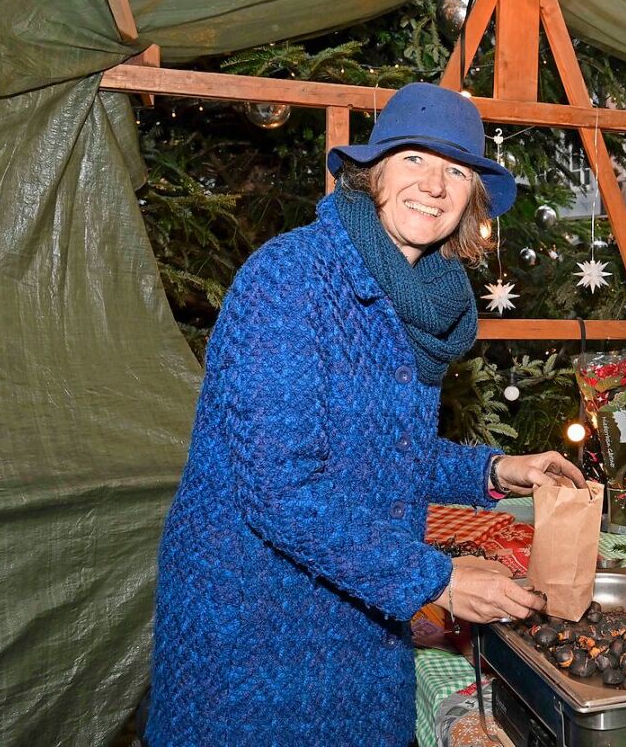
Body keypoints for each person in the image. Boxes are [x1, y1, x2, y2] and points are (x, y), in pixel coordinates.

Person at [145, 83, 586, 746]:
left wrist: (496, 469)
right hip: (255, 623)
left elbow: (377, 449)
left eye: (456, 171)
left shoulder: (423, 303)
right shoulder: (289, 279)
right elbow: (278, 488)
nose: (433, 185)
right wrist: (435, 576)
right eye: (413, 159)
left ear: (470, 199)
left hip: (357, 608)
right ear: (372, 172)